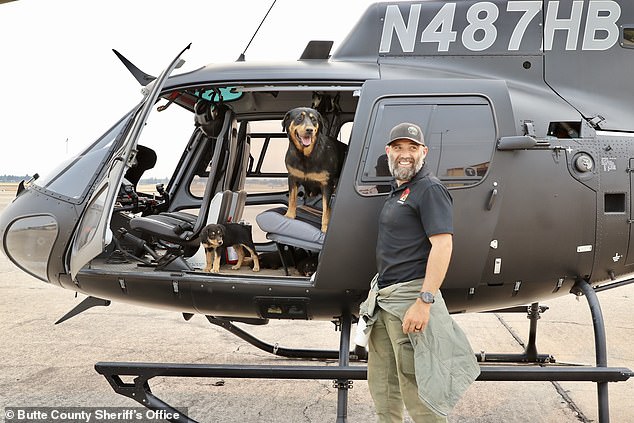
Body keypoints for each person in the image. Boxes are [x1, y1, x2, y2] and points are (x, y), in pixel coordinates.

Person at [359, 122, 480, 422]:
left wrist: (424, 302)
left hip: (409, 302)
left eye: (412, 148)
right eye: (399, 148)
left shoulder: (430, 189)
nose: (405, 154)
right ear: (388, 151)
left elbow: (442, 246)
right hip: (385, 303)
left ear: (423, 152)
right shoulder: (401, 189)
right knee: (384, 389)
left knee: (419, 392)